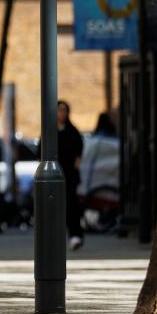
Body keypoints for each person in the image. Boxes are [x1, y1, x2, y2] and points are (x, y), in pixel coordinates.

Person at [57, 100, 85, 250]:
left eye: (64, 110)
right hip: (55, 176)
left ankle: (75, 235)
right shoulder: (49, 132)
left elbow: (79, 152)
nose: (61, 113)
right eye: (59, 110)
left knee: (72, 206)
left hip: (70, 175)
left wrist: (76, 165)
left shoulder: (72, 131)